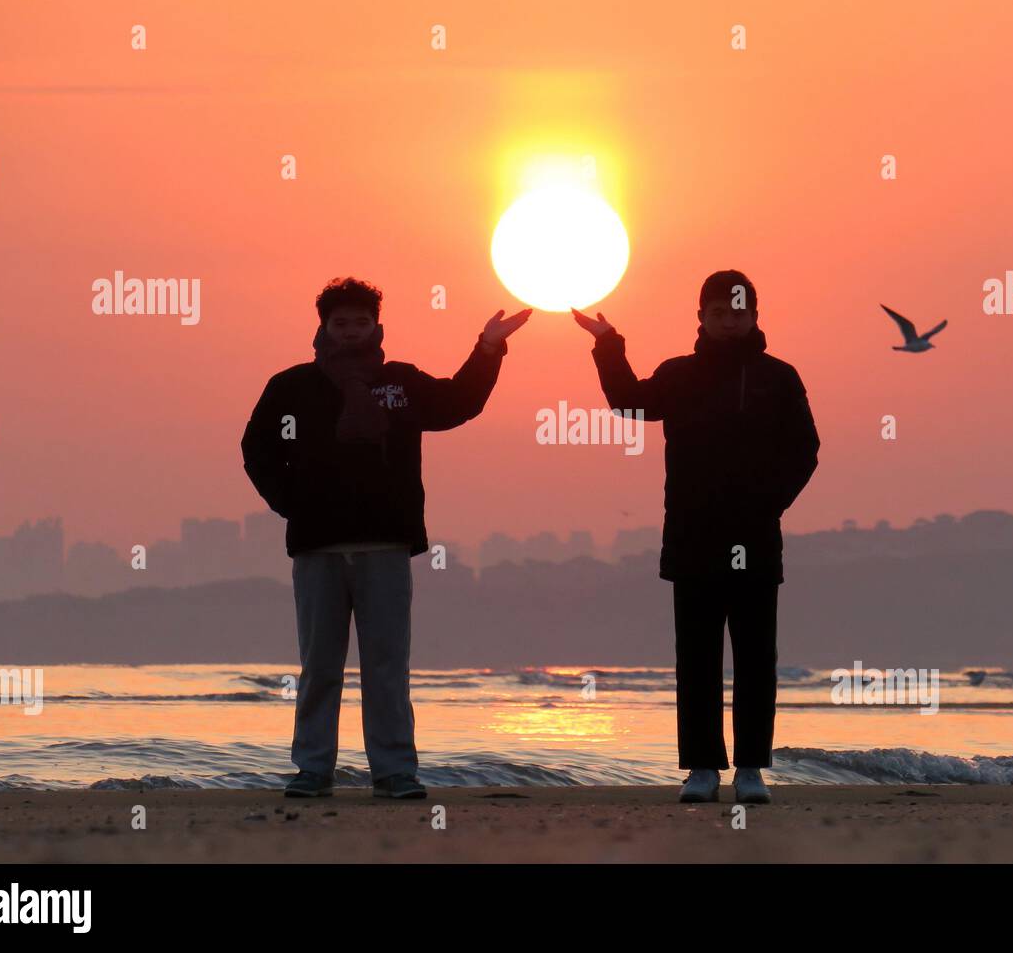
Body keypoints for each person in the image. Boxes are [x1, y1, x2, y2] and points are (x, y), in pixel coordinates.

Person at [242, 277, 529, 799]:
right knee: (320, 666)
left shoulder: (401, 382)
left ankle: (395, 772)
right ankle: (312, 770)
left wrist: (488, 348)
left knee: (387, 666)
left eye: (360, 322)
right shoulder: (293, 387)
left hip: (386, 544)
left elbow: (457, 403)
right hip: (317, 546)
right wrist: (293, 502)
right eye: (340, 323)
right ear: (324, 327)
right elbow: (257, 449)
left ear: (377, 326)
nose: (351, 332)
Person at [573, 270, 820, 804]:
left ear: (755, 316)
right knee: (697, 659)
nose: (730, 321)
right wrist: (608, 345)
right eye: (719, 313)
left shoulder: (779, 377)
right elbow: (629, 403)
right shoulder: (679, 375)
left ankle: (752, 768)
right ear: (702, 317)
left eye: (739, 313)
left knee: (756, 659)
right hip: (692, 537)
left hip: (755, 538)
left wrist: (767, 502)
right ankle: (702, 769)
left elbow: (806, 451)